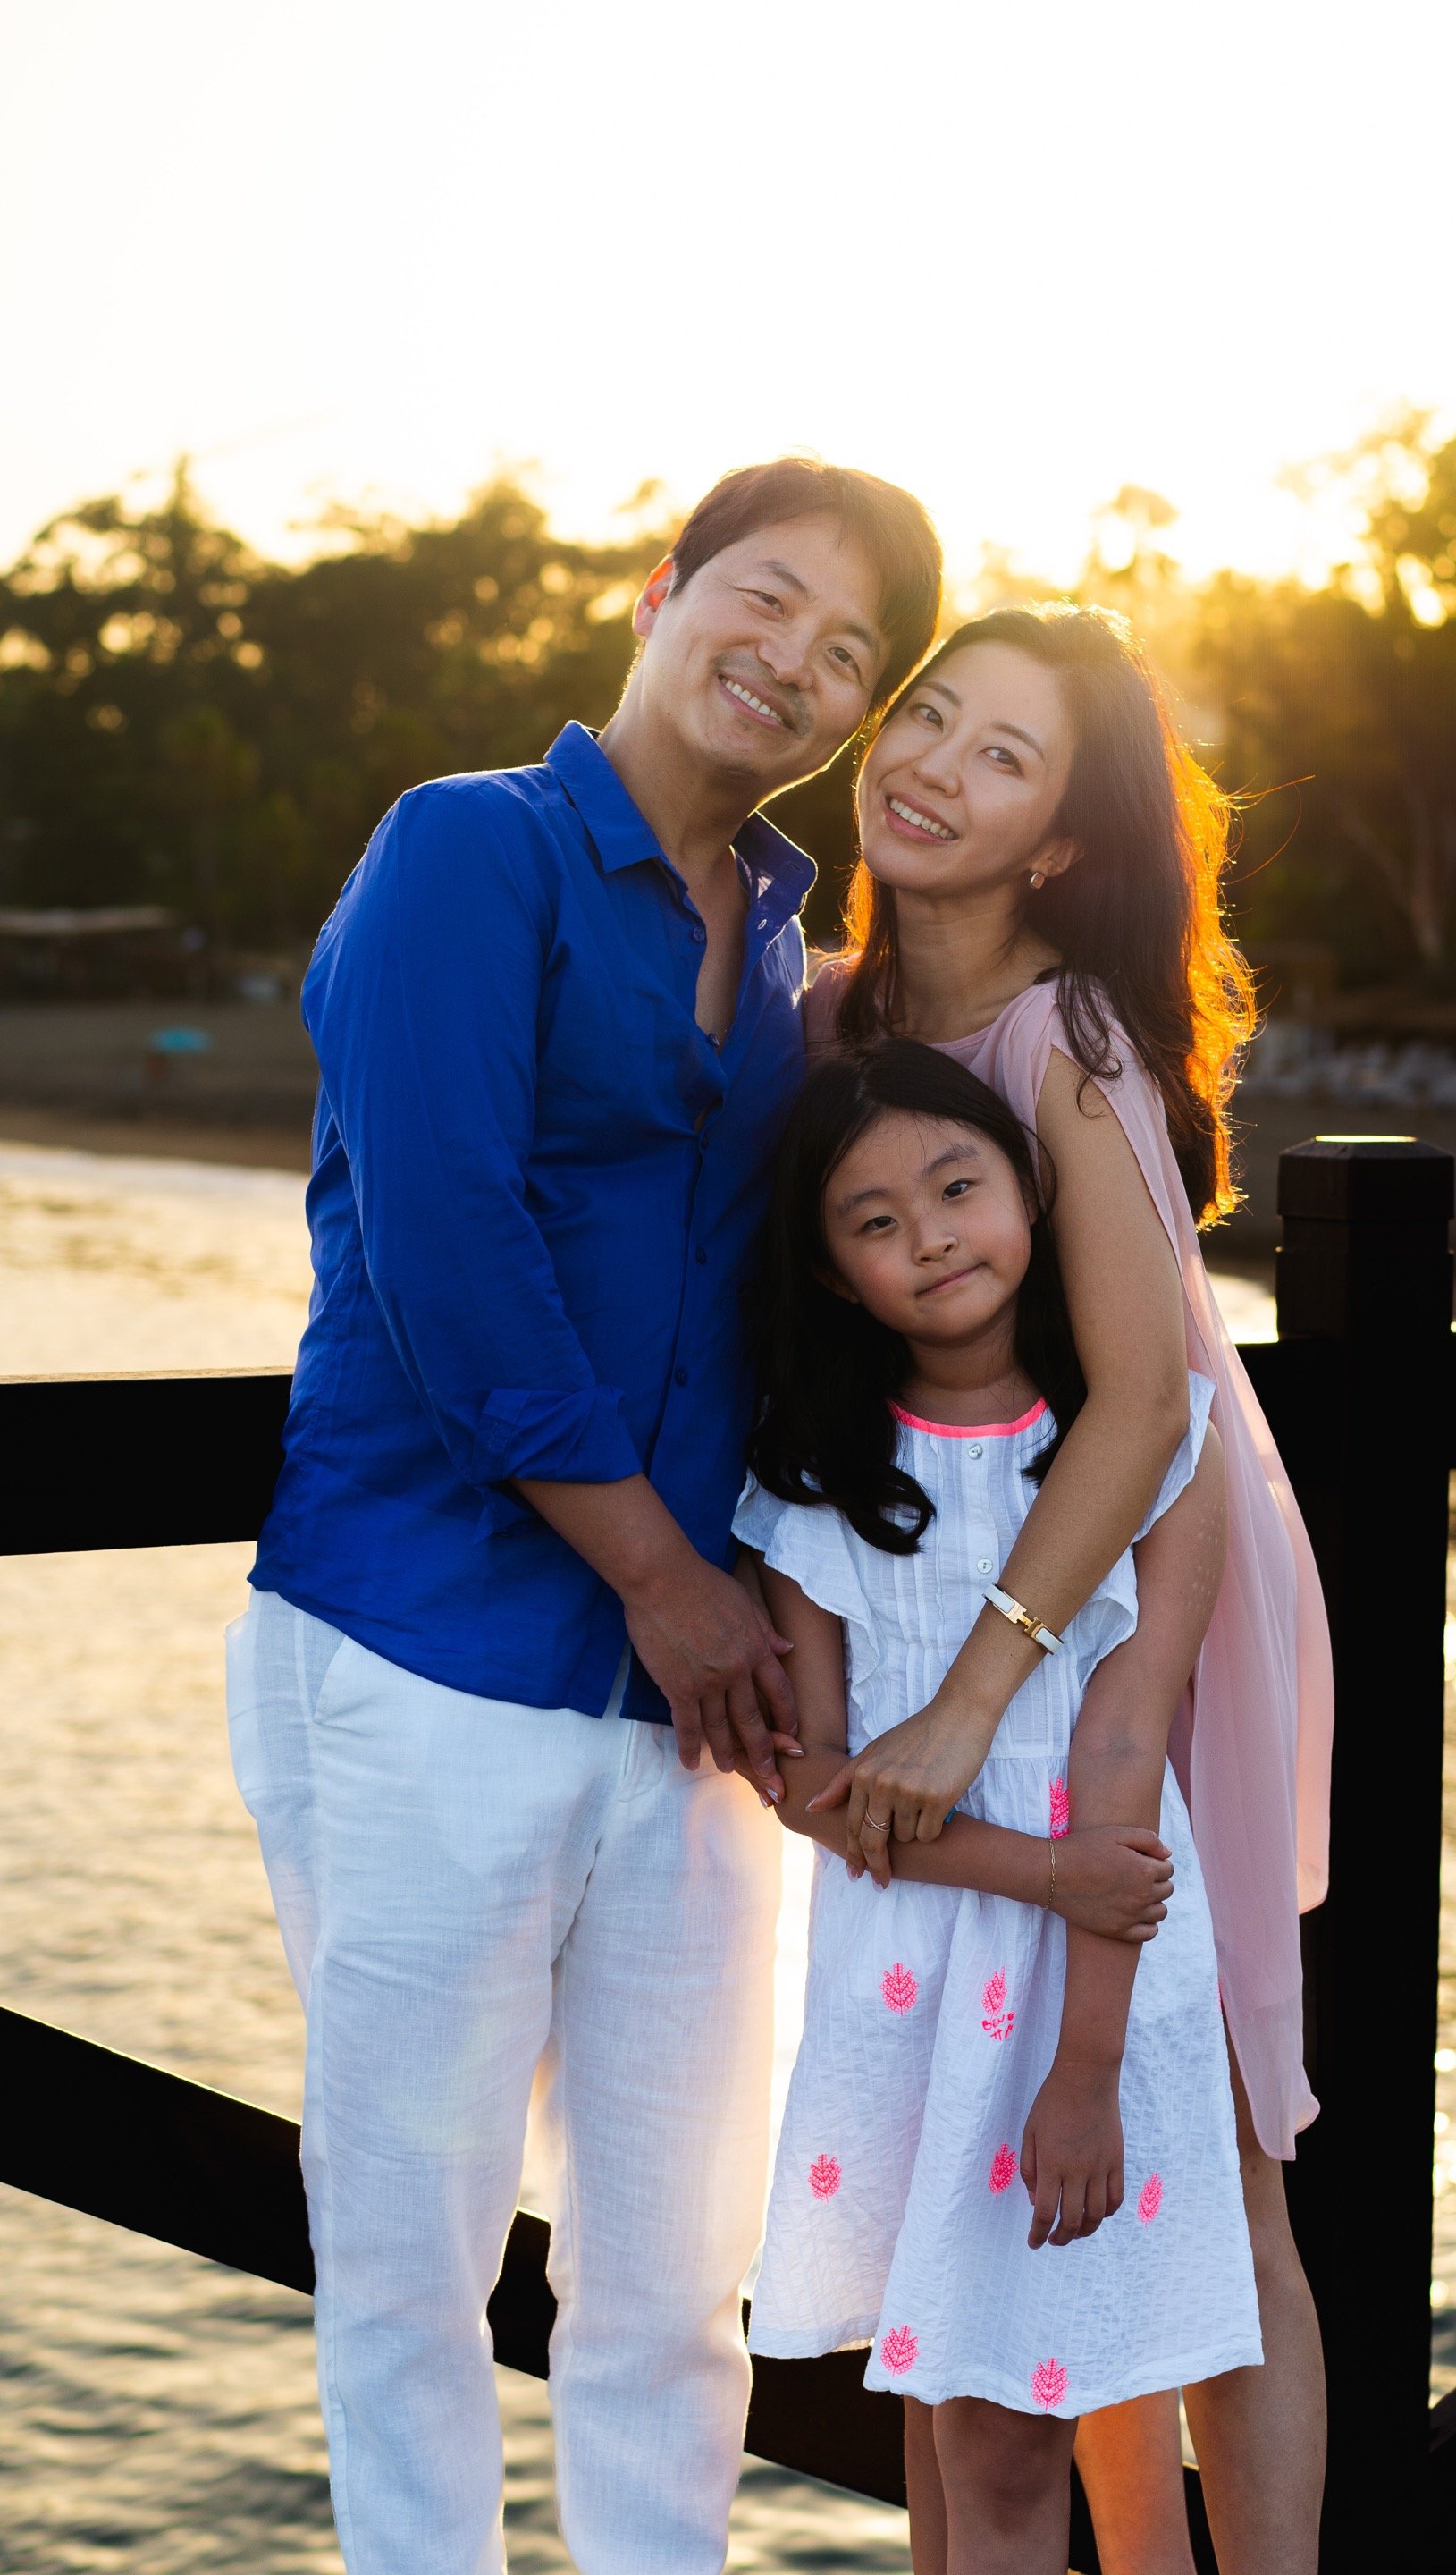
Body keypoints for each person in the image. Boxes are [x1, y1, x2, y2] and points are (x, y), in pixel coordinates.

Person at [223, 458, 941, 2575]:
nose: (794, 663)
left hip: (689, 1706)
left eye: (846, 654)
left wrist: (775, 1609)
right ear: (664, 588)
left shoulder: (807, 943)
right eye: (769, 598)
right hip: (430, 1642)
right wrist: (661, 1578)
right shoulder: (472, 848)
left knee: (666, 2294)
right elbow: (448, 1247)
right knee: (412, 2270)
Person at [808, 602, 1334, 2575]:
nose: (930, 761)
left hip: (1150, 1600)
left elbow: (1148, 1408)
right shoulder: (842, 1017)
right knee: (1003, 2122)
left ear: (1059, 844)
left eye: (1000, 754)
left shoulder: (1065, 1036)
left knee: (1225, 2152)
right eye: (928, 714)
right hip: (961, 1596)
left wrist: (960, 1702)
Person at [735, 1040, 1258, 2575]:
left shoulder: (1143, 1448)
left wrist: (1084, 2072)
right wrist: (1045, 1878)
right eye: (874, 1221)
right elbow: (819, 1790)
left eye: (959, 1187)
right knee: (948, 2422)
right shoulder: (818, 1481)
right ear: (832, 1275)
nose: (932, 1236)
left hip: (1091, 1998)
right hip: (907, 1994)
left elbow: (1122, 1768)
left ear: (1031, 1196)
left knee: (1010, 2440)